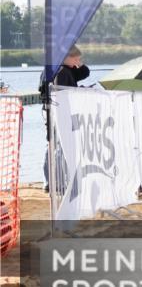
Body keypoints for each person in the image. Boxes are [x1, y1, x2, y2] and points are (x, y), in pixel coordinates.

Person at [38, 45, 91, 192]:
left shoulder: (63, 68)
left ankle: (50, 182)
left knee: (53, 145)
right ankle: (56, 182)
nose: (78, 62)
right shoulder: (61, 71)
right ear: (66, 57)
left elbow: (85, 72)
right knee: (57, 145)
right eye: (76, 58)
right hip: (56, 112)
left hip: (53, 110)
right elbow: (62, 93)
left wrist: (77, 63)